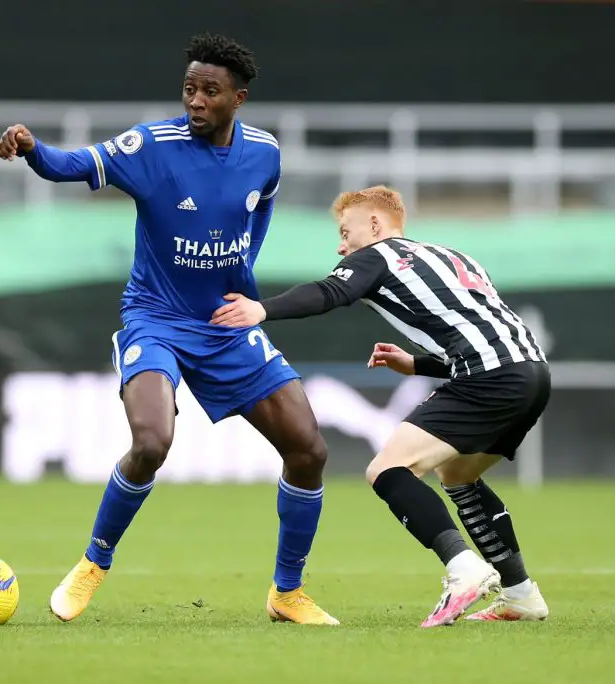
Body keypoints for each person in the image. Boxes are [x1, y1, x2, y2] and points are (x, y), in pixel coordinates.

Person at [0, 33, 337, 626]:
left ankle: (287, 593)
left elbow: (261, 206)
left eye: (210, 91)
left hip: (226, 325)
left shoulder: (265, 153)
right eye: (189, 89)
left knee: (309, 450)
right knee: (152, 443)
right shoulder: (151, 146)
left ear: (238, 98)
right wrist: (31, 148)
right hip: (155, 319)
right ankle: (93, 563)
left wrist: (244, 276)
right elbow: (69, 166)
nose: (196, 101)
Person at [210, 185, 551, 626]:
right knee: (458, 474)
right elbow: (478, 331)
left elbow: (329, 292)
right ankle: (521, 594)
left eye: (344, 232)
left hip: (488, 377)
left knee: (387, 469)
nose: (341, 246)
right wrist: (417, 363)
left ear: (374, 224)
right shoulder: (452, 256)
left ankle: (463, 567)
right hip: (531, 372)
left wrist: (262, 310)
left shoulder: (379, 255)